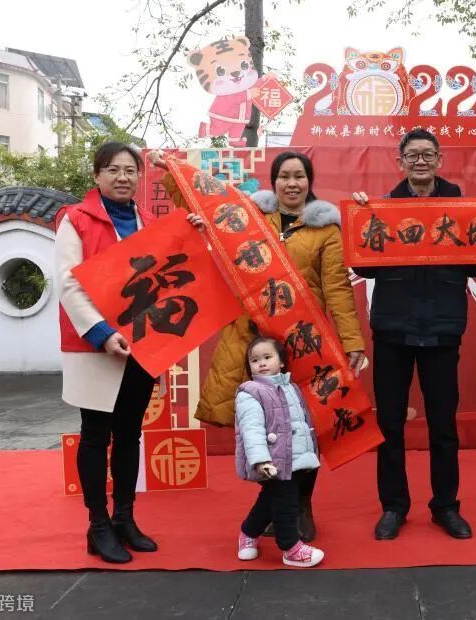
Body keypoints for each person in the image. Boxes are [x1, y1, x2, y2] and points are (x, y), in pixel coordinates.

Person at [153, 150, 366, 542]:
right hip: (254, 345)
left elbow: (337, 290)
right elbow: (202, 202)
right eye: (284, 176)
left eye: (299, 176)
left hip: (302, 344)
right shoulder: (249, 218)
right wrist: (170, 173)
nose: (292, 184)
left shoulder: (325, 231)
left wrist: (352, 342)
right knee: (266, 429)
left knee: (302, 428)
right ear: (274, 181)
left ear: (309, 182)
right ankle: (277, 507)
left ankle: (302, 506)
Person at [55, 142, 201, 563]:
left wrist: (193, 233)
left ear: (140, 176)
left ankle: (124, 518)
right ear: (96, 176)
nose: (123, 177)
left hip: (141, 344)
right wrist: (101, 333)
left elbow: (172, 272)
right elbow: (68, 282)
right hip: (94, 346)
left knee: (129, 433)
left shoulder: (150, 222)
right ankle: (98, 525)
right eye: (113, 170)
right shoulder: (75, 219)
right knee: (95, 435)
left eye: (130, 170)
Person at [351, 128, 476, 541]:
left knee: (443, 425)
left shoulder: (461, 205)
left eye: (427, 154)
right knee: (390, 425)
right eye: (412, 155)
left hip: (442, 329)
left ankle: (445, 506)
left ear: (439, 160)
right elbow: (362, 267)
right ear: (400, 162)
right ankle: (393, 506)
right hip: (393, 330)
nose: (420, 161)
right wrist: (361, 219)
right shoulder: (383, 207)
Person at [234, 336, 325, 567]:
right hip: (273, 460)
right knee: (286, 502)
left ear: (281, 361)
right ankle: (290, 547)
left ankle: (248, 532)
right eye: (255, 360)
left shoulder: (291, 387)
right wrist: (261, 460)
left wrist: (309, 452)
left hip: (295, 458)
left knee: (269, 499)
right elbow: (251, 430)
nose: (262, 363)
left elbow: (302, 421)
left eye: (267, 357)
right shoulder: (250, 392)